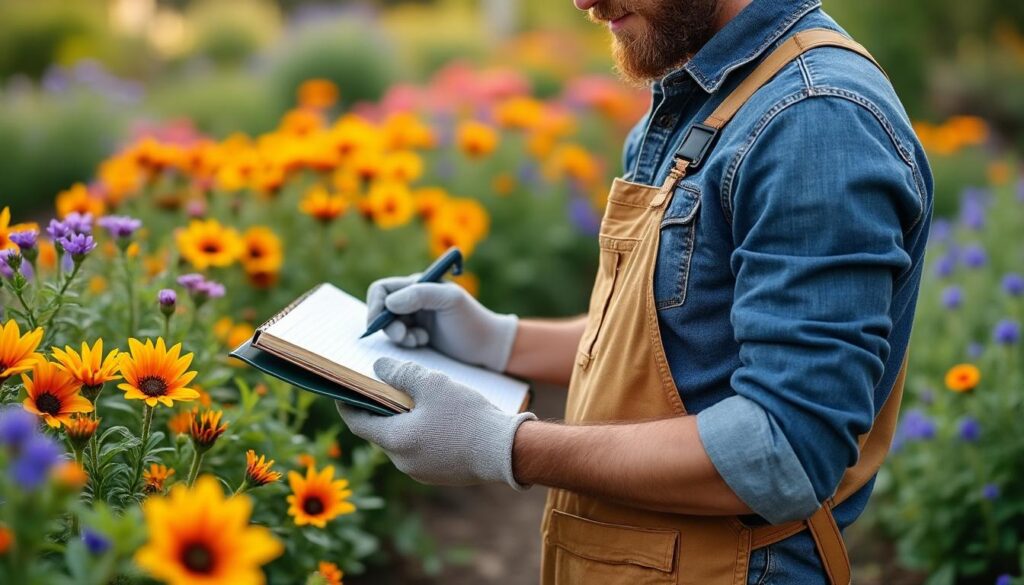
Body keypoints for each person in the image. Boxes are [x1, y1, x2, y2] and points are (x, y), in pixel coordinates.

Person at [337, 0, 933, 583]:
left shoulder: (813, 121)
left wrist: (506, 446)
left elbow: (782, 450)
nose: (584, 2)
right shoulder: (703, 93)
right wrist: (496, 339)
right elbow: (667, 343)